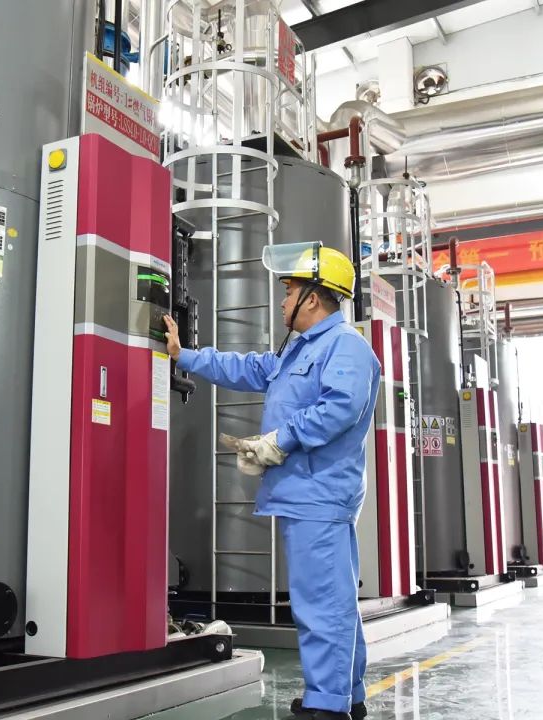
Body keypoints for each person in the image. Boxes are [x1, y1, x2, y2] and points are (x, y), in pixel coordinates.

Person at [163, 242, 380, 720]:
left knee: (320, 603)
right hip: (306, 494)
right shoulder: (301, 349)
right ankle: (348, 694)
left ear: (313, 298)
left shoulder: (346, 347)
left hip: (320, 495)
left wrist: (279, 441)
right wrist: (184, 355)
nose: (283, 302)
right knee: (334, 600)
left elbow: (339, 409)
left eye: (290, 292)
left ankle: (327, 706)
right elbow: (246, 368)